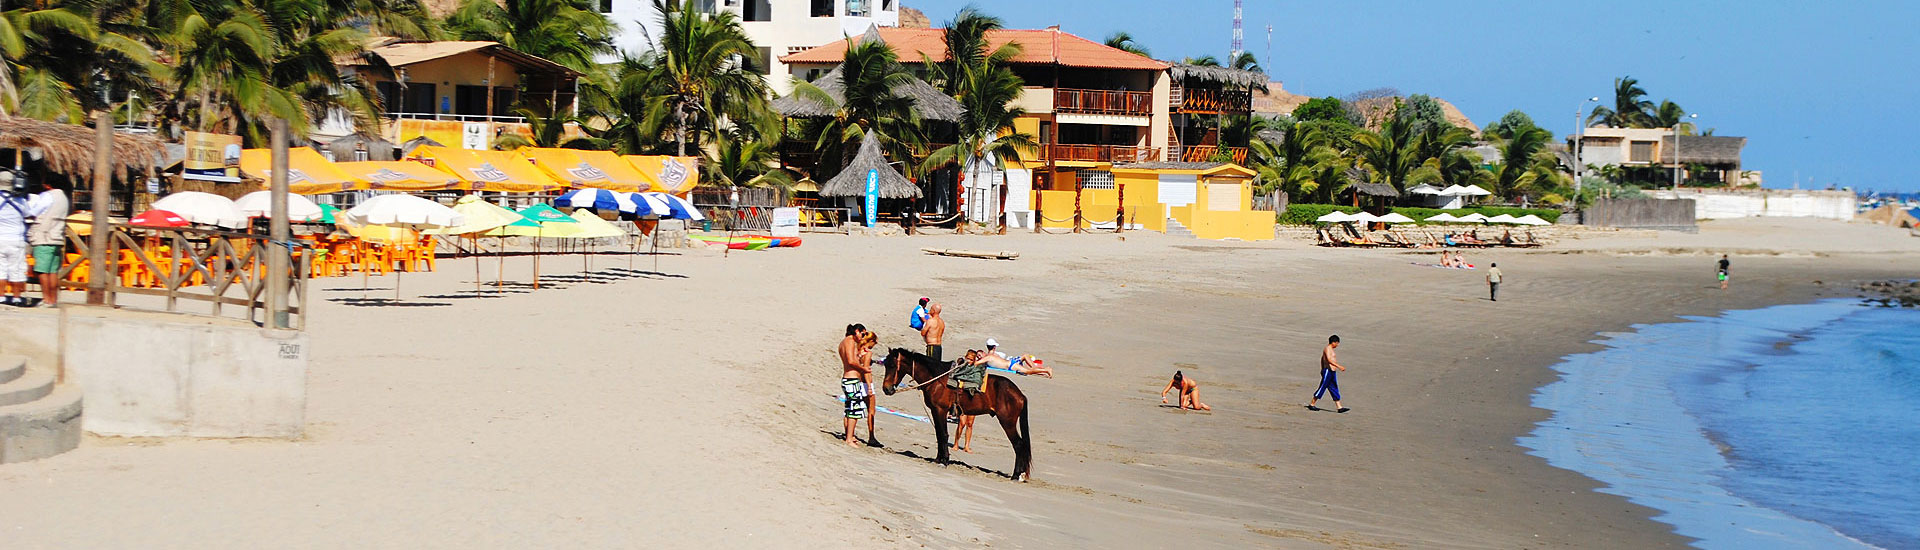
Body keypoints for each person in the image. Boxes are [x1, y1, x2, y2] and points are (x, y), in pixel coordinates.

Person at [26, 179, 67, 308]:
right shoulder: (64, 198)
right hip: (57, 237)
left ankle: (46, 299)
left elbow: (33, 212)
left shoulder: (48, 196)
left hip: (44, 237)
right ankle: (53, 300)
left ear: (48, 185)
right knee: (53, 271)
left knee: (42, 271)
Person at [838, 324, 876, 448]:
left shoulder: (845, 342)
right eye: (863, 334)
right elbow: (850, 361)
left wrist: (859, 358)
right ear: (856, 331)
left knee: (850, 408)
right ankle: (849, 438)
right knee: (854, 410)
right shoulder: (849, 342)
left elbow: (851, 360)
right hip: (851, 379)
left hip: (848, 379)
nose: (863, 337)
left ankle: (850, 435)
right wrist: (864, 369)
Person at [0, 175, 31, 307]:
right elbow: (28, 214)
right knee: (17, 269)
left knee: (1, 269)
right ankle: (16, 297)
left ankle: (1, 296)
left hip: (1, 238)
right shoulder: (20, 200)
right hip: (16, 239)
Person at [1307, 335, 1349, 412]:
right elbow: (1329, 360)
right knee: (1322, 387)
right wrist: (1339, 366)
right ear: (1333, 342)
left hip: (1332, 371)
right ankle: (1312, 404)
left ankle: (1339, 407)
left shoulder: (1331, 349)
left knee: (1334, 388)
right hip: (1328, 371)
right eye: (1337, 343)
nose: (1337, 345)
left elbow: (1322, 359)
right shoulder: (1327, 349)